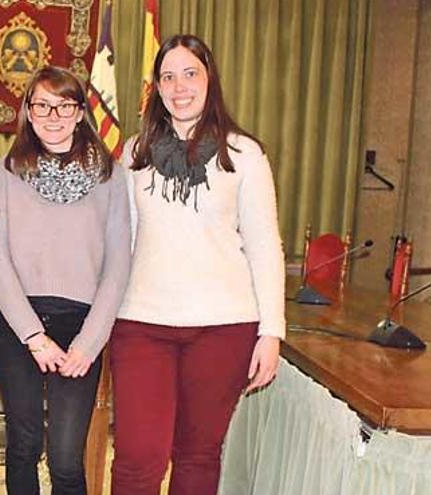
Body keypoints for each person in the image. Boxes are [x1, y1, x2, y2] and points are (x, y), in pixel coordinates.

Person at [111, 34, 285, 495]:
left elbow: (265, 244)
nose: (179, 85)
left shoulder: (245, 154)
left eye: (191, 73)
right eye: (168, 76)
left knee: (198, 457)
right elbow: (120, 242)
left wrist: (272, 330)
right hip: (141, 324)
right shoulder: (133, 155)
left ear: (210, 80)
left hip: (224, 327)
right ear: (156, 87)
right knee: (137, 458)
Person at [0, 65, 131, 494]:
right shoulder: (8, 171)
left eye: (63, 105)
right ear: (28, 112)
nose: (53, 115)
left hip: (80, 328)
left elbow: (118, 265)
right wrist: (33, 335)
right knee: (24, 445)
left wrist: (87, 344)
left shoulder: (109, 175)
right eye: (42, 105)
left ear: (80, 111)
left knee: (67, 457)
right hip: (18, 324)